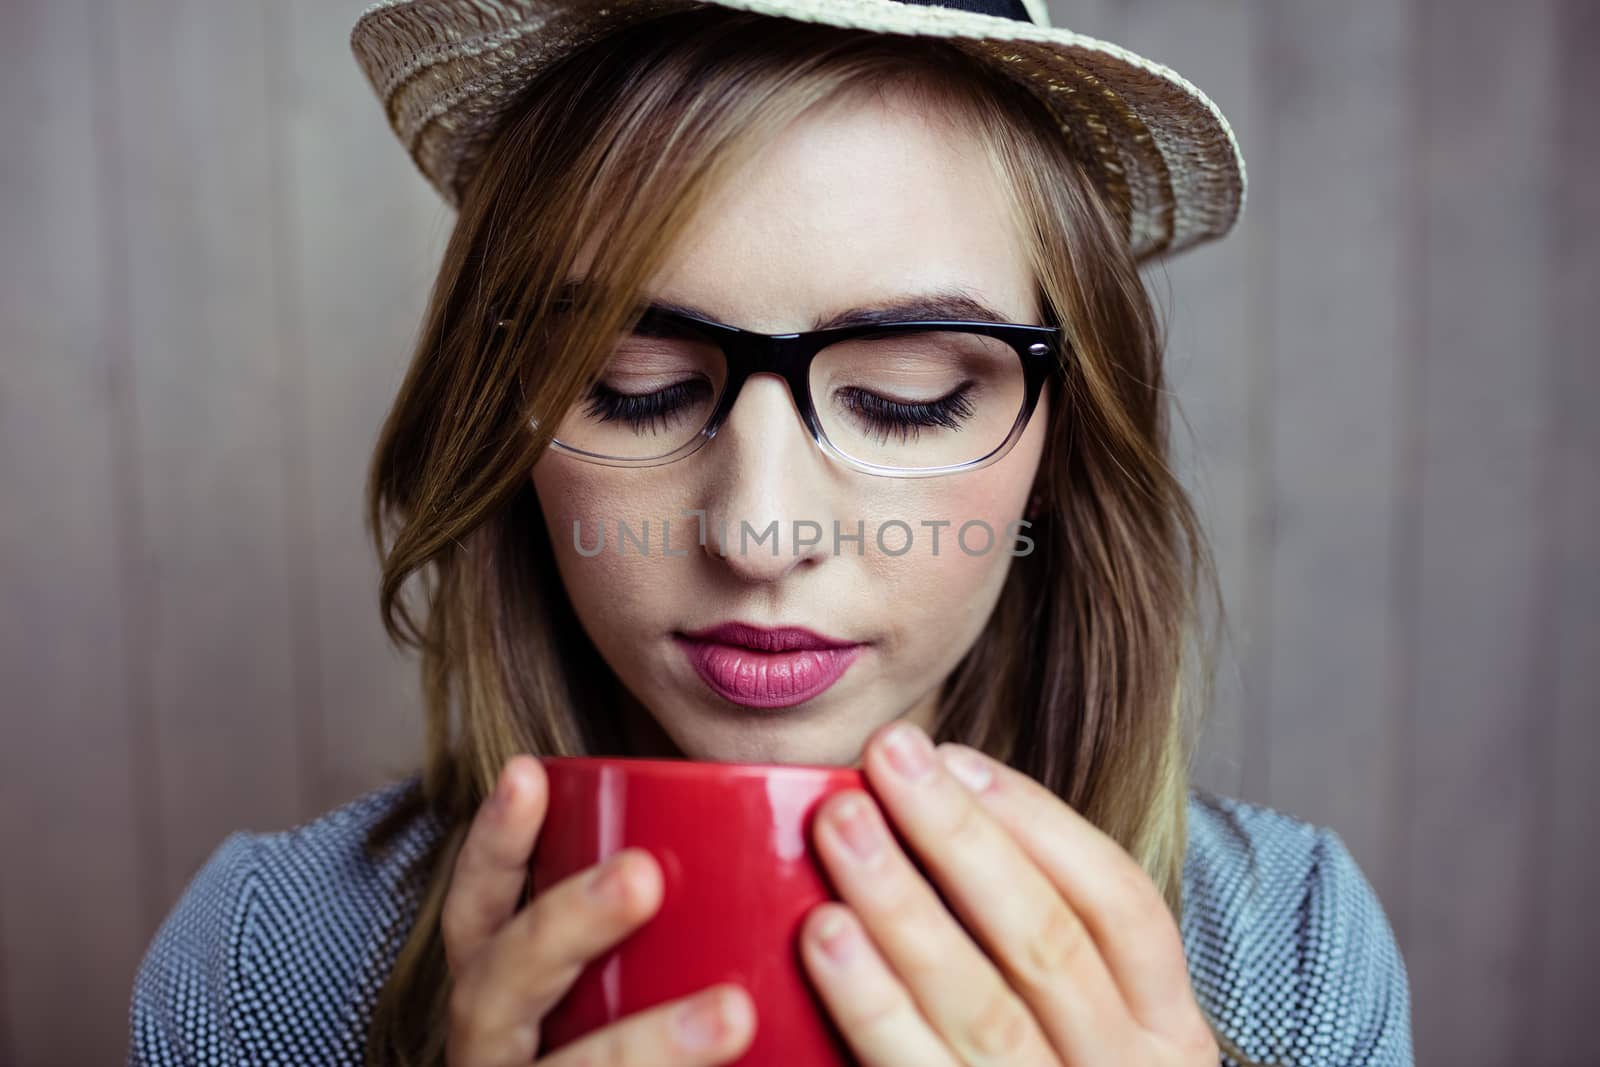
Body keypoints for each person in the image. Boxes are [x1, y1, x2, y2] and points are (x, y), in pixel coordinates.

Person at [126, 1, 1414, 1065]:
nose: (761, 530)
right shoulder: (262, 960)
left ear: (1062, 442)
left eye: (910, 400)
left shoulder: (1287, 954)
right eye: (634, 387)